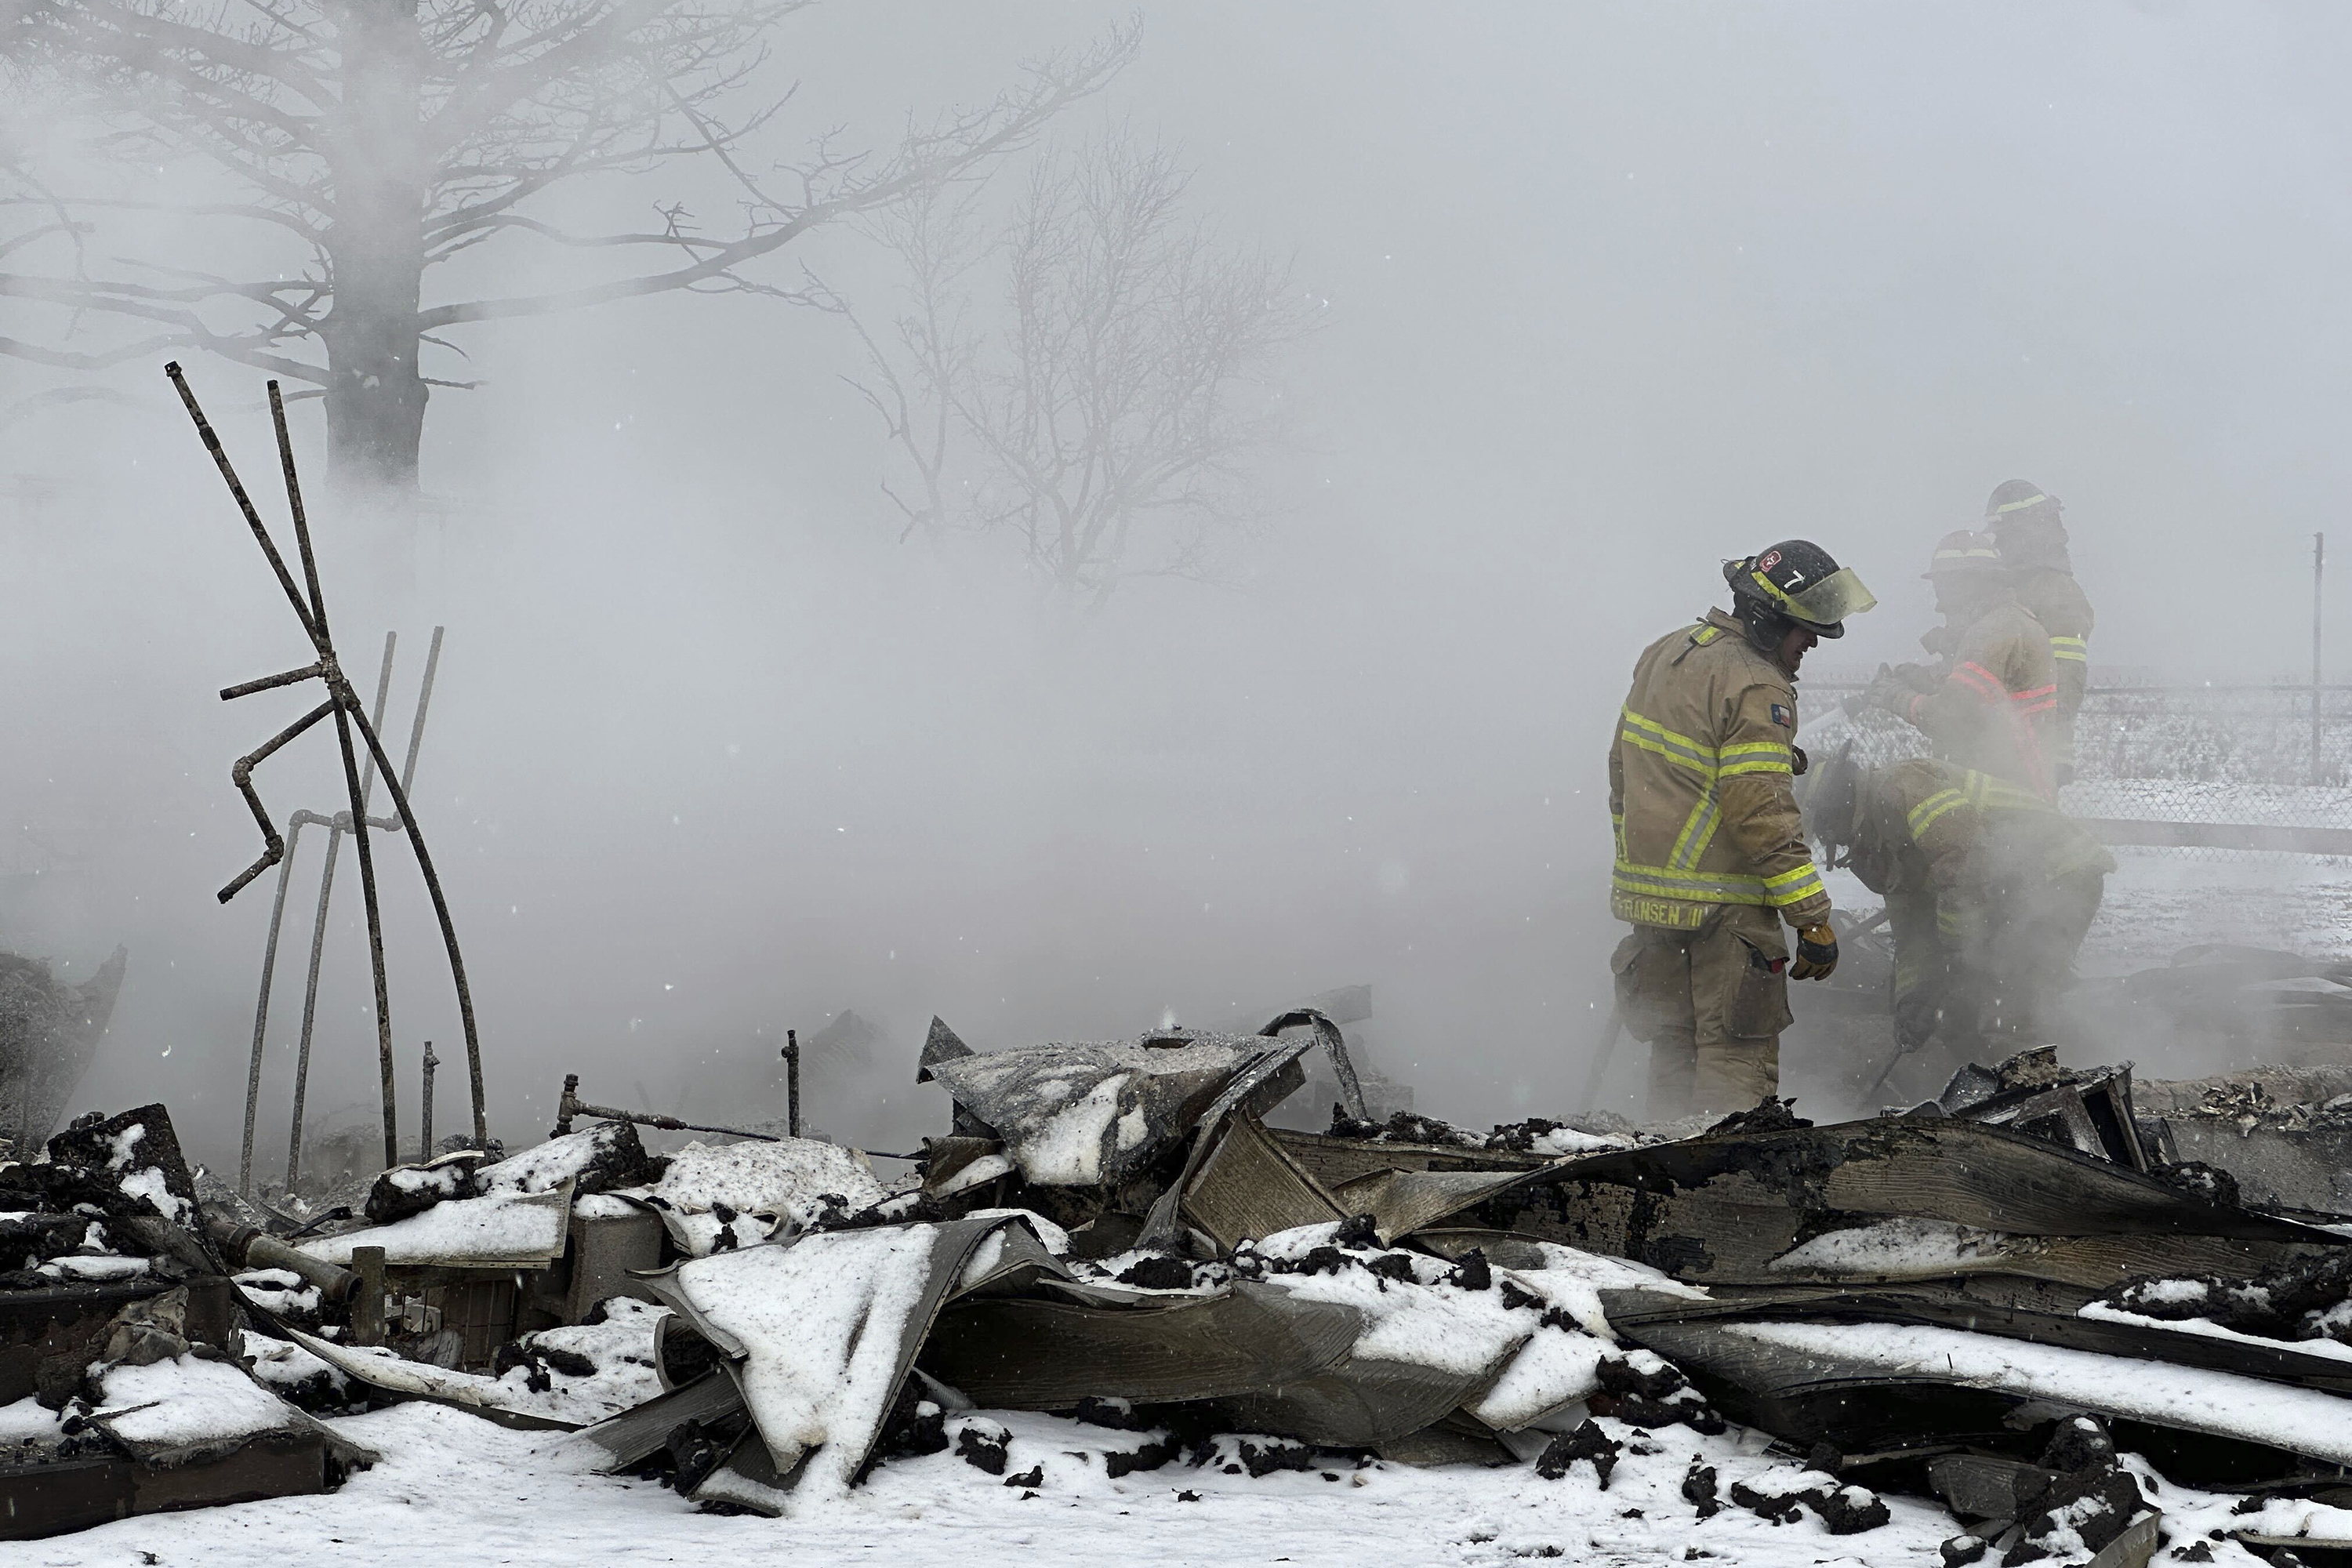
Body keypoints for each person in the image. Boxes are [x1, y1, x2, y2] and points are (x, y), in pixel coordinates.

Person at [1609, 541, 1875, 1118]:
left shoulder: (1666, 652)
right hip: (1724, 911)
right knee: (1735, 1056)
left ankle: (1662, 1161)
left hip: (1653, 905)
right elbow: (1760, 813)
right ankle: (1728, 1172)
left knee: (1674, 1049)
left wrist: (1643, 867)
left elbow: (1621, 770)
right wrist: (1812, 919)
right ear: (1768, 619)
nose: (1813, 644)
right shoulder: (1757, 685)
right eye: (1805, 630)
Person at [1805, 749, 2113, 1072]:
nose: (1832, 840)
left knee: (2008, 1004)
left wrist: (1957, 959)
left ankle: (2045, 1079)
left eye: (1827, 829)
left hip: (2056, 873)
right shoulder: (1882, 841)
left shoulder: (1905, 786)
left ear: (1838, 807)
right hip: (2005, 894)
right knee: (1959, 1016)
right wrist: (1912, 998)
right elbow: (1911, 936)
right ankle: (1992, 1085)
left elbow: (1965, 866)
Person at [1866, 530, 2059, 798]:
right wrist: (1926, 680)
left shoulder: (1991, 631)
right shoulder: (2011, 621)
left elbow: (1950, 717)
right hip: (2016, 789)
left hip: (2006, 794)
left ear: (1968, 584)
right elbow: (1984, 701)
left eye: (1944, 588)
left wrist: (1896, 697)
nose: (1940, 603)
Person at [1984, 481, 2095, 786]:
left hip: (2034, 757)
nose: (1999, 545)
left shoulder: (2055, 591)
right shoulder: (2022, 588)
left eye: (2004, 535)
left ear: (2025, 533)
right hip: (2012, 752)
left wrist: (2031, 740)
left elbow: (2064, 683)